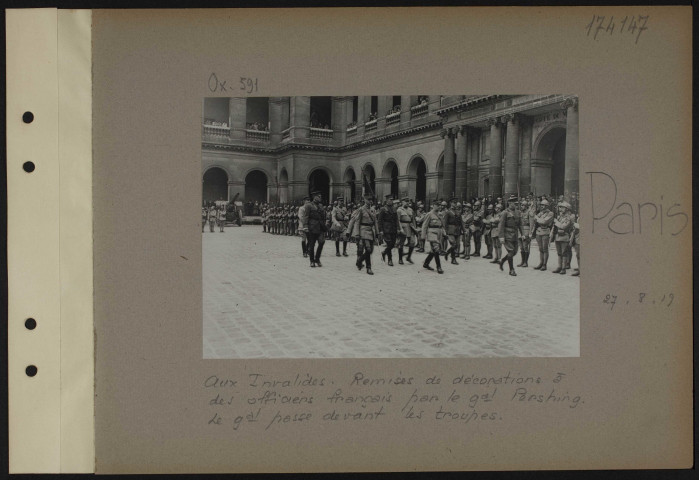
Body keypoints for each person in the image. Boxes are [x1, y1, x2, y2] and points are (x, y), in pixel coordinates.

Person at [346, 194, 380, 275]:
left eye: (371, 200)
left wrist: (377, 233)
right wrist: (356, 233)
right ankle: (369, 268)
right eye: (368, 200)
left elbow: (375, 222)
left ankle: (359, 260)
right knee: (367, 249)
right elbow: (357, 222)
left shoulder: (373, 210)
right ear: (364, 200)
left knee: (370, 250)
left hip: (371, 231)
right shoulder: (360, 210)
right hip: (363, 231)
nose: (370, 201)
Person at [497, 195, 524, 276]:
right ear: (509, 203)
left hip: (515, 234)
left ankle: (502, 261)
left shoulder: (518, 212)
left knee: (514, 252)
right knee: (511, 251)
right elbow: (501, 225)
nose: (515, 204)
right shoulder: (505, 212)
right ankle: (511, 270)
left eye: (516, 202)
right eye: (513, 202)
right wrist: (501, 236)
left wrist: (522, 234)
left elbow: (520, 224)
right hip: (507, 234)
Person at [302, 191, 327, 267]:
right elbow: (305, 217)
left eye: (320, 196)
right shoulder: (309, 205)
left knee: (322, 242)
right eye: (319, 196)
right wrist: (305, 226)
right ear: (314, 197)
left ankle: (317, 259)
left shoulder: (321, 206)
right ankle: (312, 261)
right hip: (312, 227)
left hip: (320, 227)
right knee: (312, 245)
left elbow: (323, 217)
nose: (320, 198)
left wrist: (324, 225)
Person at [421, 201, 447, 274]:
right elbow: (424, 225)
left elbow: (442, 225)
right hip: (431, 232)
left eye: (440, 205)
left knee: (433, 250)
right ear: (433, 206)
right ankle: (439, 267)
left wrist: (444, 233)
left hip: (439, 233)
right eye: (437, 205)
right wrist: (423, 236)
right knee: (436, 249)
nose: (439, 207)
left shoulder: (440, 214)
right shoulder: (429, 214)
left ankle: (426, 263)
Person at [551, 201, 574, 274]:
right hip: (558, 236)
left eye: (563, 207)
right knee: (559, 253)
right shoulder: (560, 216)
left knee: (564, 253)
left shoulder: (569, 217)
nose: (561, 209)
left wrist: (556, 222)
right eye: (561, 207)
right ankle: (559, 266)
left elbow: (564, 226)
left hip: (565, 236)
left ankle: (563, 268)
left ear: (567, 209)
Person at [378, 194, 400, 267]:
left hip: (393, 229)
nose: (391, 201)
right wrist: (380, 230)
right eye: (390, 200)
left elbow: (396, 219)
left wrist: (398, 228)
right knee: (389, 244)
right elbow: (380, 220)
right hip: (386, 229)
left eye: (392, 200)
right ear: (387, 200)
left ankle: (384, 253)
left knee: (393, 244)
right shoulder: (383, 209)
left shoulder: (394, 209)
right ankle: (390, 260)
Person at [532, 198, 554, 271]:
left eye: (544, 205)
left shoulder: (550, 213)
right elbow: (535, 220)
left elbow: (544, 221)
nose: (542, 206)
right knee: (540, 249)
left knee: (545, 249)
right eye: (541, 205)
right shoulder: (540, 213)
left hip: (545, 231)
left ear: (547, 206)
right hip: (539, 231)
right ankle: (541, 263)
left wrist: (537, 218)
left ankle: (545, 264)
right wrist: (537, 218)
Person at [396, 196, 417, 264]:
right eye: (405, 201)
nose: (407, 203)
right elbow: (398, 220)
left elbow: (413, 219)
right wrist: (400, 229)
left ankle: (408, 257)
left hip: (410, 227)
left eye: (408, 202)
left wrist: (415, 228)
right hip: (403, 227)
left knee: (412, 242)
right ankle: (400, 259)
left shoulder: (411, 210)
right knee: (401, 243)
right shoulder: (399, 210)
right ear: (402, 202)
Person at [442, 199, 462, 265]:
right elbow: (445, 223)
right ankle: (453, 259)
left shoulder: (458, 211)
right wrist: (445, 231)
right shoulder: (448, 212)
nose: (455, 204)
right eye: (453, 202)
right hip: (450, 230)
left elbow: (461, 222)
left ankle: (447, 252)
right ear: (450, 203)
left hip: (457, 230)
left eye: (456, 203)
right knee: (453, 244)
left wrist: (463, 230)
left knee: (457, 245)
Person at [517, 199, 535, 267]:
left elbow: (531, 223)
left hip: (526, 230)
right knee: (521, 247)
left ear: (526, 206)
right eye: (521, 205)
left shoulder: (529, 212)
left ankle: (525, 262)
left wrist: (530, 233)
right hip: (520, 231)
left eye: (523, 205)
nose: (522, 206)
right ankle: (522, 261)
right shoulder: (520, 212)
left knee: (525, 246)